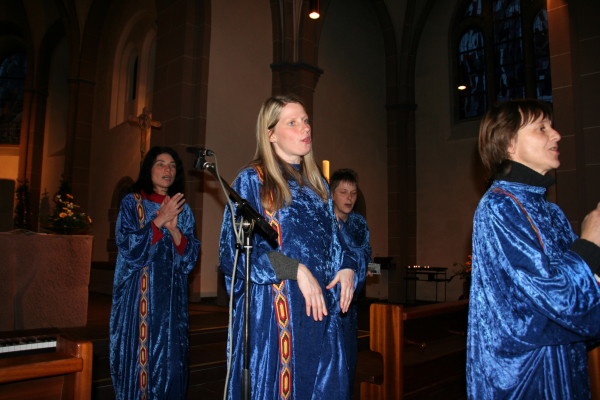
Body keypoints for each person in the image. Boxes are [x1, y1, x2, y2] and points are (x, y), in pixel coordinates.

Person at [219, 95, 357, 400]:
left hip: (320, 314)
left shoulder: (318, 184)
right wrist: (295, 269)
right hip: (277, 314)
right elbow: (234, 253)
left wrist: (347, 266)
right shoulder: (253, 180)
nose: (305, 128)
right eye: (292, 122)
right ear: (270, 134)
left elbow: (338, 243)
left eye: (305, 120)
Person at [468, 99, 600, 399]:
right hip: (528, 372)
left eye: (551, 126)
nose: (556, 135)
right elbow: (554, 298)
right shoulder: (499, 206)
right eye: (541, 128)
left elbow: (581, 293)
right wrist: (590, 245)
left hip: (564, 361)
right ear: (509, 145)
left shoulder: (550, 211)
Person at [110, 146, 201, 399]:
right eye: (161, 164)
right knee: (142, 363)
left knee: (172, 365)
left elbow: (190, 259)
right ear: (149, 169)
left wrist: (174, 229)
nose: (167, 169)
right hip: (140, 300)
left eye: (172, 165)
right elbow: (129, 248)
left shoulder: (183, 210)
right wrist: (159, 221)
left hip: (172, 303)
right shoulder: (133, 203)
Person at [330, 168, 372, 392]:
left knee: (348, 360)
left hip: (351, 306)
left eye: (353, 193)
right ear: (332, 194)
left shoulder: (359, 223)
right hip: (327, 302)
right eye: (343, 192)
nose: (349, 198)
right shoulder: (325, 221)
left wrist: (369, 269)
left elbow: (369, 256)